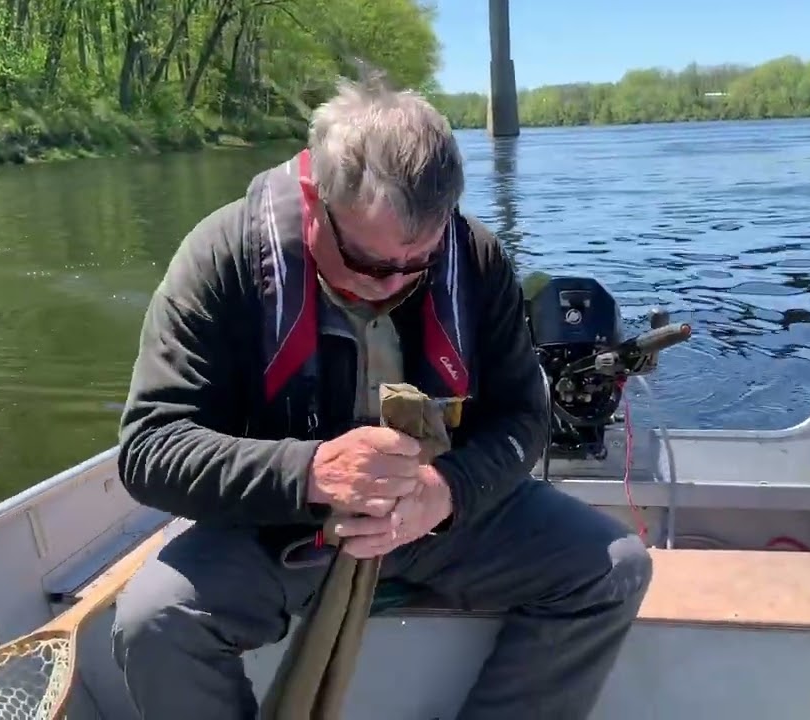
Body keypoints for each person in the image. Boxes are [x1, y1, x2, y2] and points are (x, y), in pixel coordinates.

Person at [109, 72, 653, 720]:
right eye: (369, 263)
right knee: (157, 620)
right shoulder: (222, 258)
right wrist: (310, 472)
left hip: (436, 518)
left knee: (612, 566)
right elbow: (149, 447)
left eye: (417, 263)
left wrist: (447, 492)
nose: (391, 284)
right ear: (316, 200)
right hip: (284, 529)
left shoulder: (475, 258)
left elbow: (523, 417)